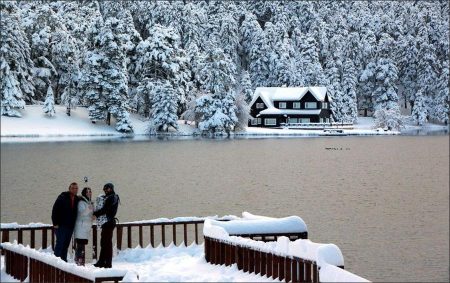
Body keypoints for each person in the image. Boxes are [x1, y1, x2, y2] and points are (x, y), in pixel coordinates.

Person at [93, 183, 120, 268]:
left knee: (107, 243)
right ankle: (101, 262)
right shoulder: (109, 197)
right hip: (106, 222)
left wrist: (95, 214)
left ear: (111, 188)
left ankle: (108, 263)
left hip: (109, 222)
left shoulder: (113, 197)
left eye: (107, 189)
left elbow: (105, 209)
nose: (105, 190)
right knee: (104, 242)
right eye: (104, 189)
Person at [51, 182, 79, 262]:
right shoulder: (62, 197)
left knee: (66, 245)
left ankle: (63, 261)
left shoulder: (77, 199)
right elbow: (55, 210)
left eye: (76, 188)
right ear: (69, 189)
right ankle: (56, 262)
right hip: (61, 226)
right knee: (60, 244)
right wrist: (55, 223)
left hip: (70, 226)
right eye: (73, 188)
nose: (75, 190)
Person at [73, 187, 94, 266]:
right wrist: (90, 208)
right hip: (81, 227)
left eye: (90, 191)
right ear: (84, 193)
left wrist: (93, 214)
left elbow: (90, 214)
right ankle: (79, 262)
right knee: (80, 245)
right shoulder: (81, 202)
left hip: (86, 227)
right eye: (88, 192)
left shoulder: (89, 202)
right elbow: (83, 213)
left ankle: (80, 261)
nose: (89, 193)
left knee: (82, 245)